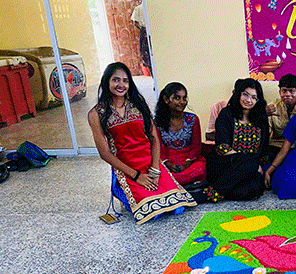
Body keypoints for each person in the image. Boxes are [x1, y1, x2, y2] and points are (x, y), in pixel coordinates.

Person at [88, 62, 195, 224]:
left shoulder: (138, 105)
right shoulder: (97, 114)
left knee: (177, 207)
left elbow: (153, 138)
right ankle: (122, 192)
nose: (121, 85)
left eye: (125, 80)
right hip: (127, 170)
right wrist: (137, 176)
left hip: (150, 164)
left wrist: (155, 170)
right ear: (106, 81)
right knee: (152, 212)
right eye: (116, 80)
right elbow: (105, 153)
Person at [203, 78, 270, 202]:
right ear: (238, 93)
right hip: (225, 164)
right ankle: (207, 195)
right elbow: (222, 147)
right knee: (249, 165)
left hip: (250, 169)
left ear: (258, 100)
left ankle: (214, 190)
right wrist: (250, 163)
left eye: (254, 97)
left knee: (251, 191)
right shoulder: (226, 114)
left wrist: (255, 165)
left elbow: (264, 147)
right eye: (245, 94)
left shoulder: (261, 118)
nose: (249, 100)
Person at [154, 82, 206, 186]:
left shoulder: (193, 119)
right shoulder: (157, 122)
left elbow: (196, 147)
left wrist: (185, 165)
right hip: (168, 160)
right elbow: (158, 147)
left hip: (189, 160)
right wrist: (168, 164)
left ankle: (177, 184)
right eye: (177, 98)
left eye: (184, 98)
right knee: (159, 174)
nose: (182, 102)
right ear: (166, 99)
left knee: (199, 169)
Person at [264, 73, 296, 164]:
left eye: (291, 91)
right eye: (284, 91)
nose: (287, 94)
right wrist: (263, 114)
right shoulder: (272, 107)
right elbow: (266, 132)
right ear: (279, 92)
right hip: (276, 146)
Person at [131, 3, 152, 77]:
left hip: (144, 31)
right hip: (153, 30)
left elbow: (135, 22)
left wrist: (141, 29)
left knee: (147, 56)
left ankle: (153, 77)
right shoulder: (152, 6)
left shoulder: (138, 8)